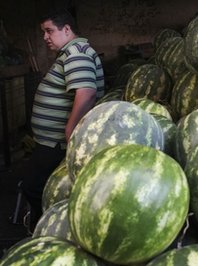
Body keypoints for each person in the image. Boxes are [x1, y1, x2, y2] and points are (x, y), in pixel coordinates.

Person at [21, 8, 105, 231]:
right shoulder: (71, 53)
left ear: (66, 29)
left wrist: (70, 130)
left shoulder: (76, 52)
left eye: (49, 31)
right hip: (51, 141)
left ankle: (45, 229)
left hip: (57, 142)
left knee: (34, 187)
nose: (45, 37)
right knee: (41, 186)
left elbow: (85, 92)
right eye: (43, 32)